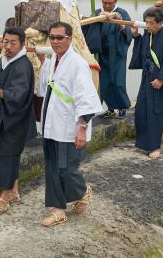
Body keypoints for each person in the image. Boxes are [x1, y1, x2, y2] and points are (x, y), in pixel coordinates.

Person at [38, 22, 103, 227]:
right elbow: (42, 91)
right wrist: (41, 61)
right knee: (51, 167)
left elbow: (86, 98)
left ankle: (83, 191)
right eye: (52, 37)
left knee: (66, 169)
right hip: (51, 124)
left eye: (60, 37)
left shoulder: (77, 64)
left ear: (70, 39)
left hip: (70, 125)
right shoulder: (50, 62)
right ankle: (57, 210)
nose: (55, 41)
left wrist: (82, 128)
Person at [0, 27, 35, 215]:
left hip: (15, 118)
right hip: (5, 115)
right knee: (8, 154)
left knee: (7, 156)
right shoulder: (5, 60)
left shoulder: (22, 65)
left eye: (13, 43)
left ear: (22, 44)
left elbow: (21, 92)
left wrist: (3, 93)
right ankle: (14, 190)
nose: (8, 46)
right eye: (5, 42)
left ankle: (4, 196)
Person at [129, 8, 163, 158]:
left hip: (159, 81)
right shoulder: (148, 35)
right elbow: (142, 51)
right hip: (147, 78)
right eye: (146, 22)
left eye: (151, 23)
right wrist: (136, 36)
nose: (148, 25)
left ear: (159, 23)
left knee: (156, 113)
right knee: (141, 110)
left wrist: (162, 79)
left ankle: (155, 147)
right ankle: (143, 144)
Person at [95, 0, 132, 118]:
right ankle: (111, 108)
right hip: (102, 54)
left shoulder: (122, 13)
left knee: (118, 82)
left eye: (110, 3)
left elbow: (129, 31)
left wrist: (121, 23)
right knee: (104, 83)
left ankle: (123, 107)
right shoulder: (98, 13)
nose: (107, 6)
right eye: (105, 2)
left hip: (117, 54)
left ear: (115, 1)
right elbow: (92, 31)